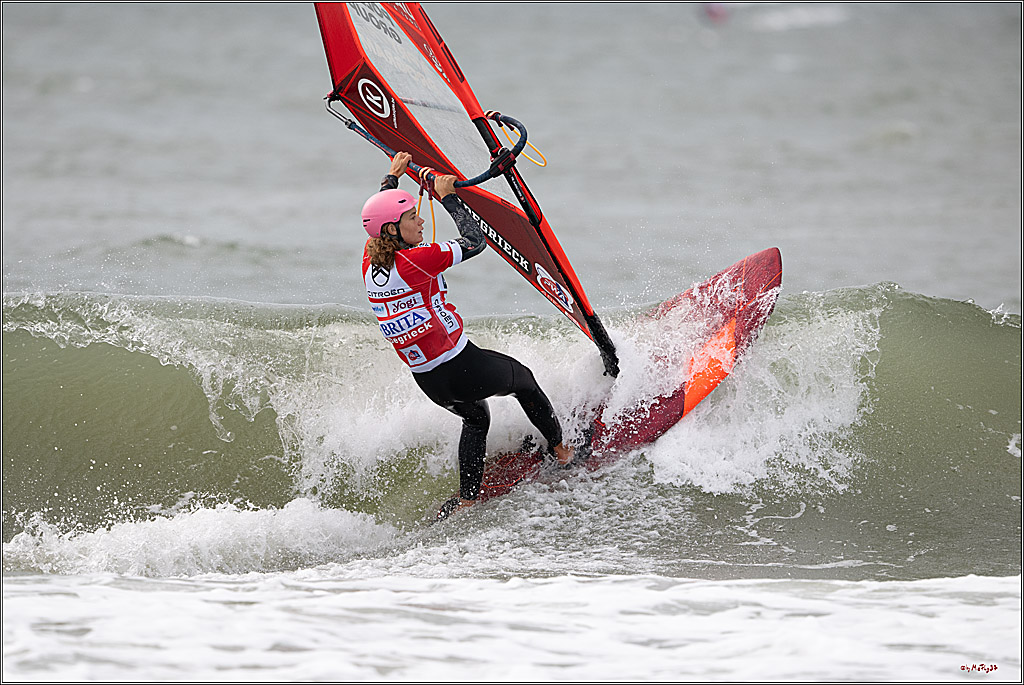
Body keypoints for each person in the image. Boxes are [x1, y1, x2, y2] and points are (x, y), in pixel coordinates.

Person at [361, 151, 574, 516]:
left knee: (476, 418)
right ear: (393, 230)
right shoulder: (415, 260)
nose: (420, 224)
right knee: (523, 380)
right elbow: (475, 241)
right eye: (413, 219)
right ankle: (561, 449)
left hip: (427, 379)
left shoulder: (371, 259)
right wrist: (448, 197)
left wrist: (392, 177)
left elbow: (378, 217)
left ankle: (467, 498)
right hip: (459, 365)